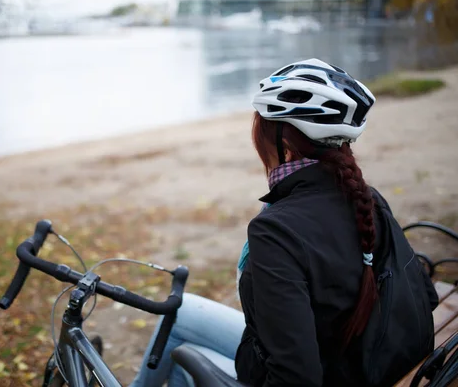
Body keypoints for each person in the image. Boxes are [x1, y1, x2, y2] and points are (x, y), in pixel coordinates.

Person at [131, 58, 438, 387]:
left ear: (287, 149)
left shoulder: (275, 232)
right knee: (181, 311)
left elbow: (296, 377)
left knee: (186, 362)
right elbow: (427, 297)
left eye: (260, 132)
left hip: (328, 370)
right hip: (361, 359)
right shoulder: (368, 199)